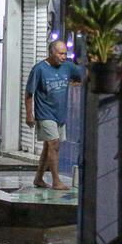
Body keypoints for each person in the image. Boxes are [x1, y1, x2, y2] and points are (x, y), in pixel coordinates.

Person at [25, 39, 84, 190]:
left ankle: (38, 178)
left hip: (60, 114)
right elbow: (29, 93)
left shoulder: (68, 67)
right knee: (54, 144)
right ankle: (56, 180)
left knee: (48, 146)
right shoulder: (39, 69)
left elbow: (82, 76)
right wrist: (29, 114)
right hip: (45, 113)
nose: (64, 57)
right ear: (52, 53)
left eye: (65, 53)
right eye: (61, 53)